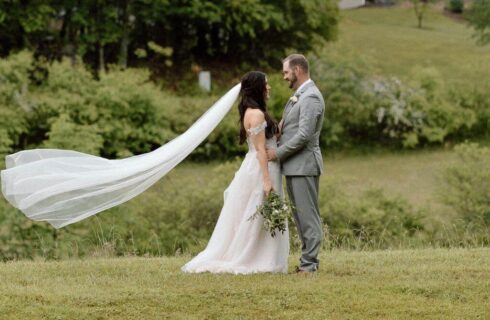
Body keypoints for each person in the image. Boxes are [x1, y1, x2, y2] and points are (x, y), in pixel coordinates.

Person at [181, 71, 289, 274]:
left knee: (259, 212)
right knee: (257, 212)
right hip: (260, 169)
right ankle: (253, 256)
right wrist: (266, 181)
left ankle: (265, 255)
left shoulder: (255, 111)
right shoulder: (255, 114)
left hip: (262, 167)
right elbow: (260, 150)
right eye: (266, 84)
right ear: (258, 87)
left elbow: (271, 137)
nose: (269, 87)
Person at [266, 54, 325, 273]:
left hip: (304, 165)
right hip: (294, 166)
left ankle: (310, 264)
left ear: (298, 70)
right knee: (300, 216)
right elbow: (291, 128)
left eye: (286, 72)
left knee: (307, 215)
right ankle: (306, 262)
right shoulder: (300, 96)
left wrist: (277, 153)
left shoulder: (310, 97)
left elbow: (304, 136)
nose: (284, 77)